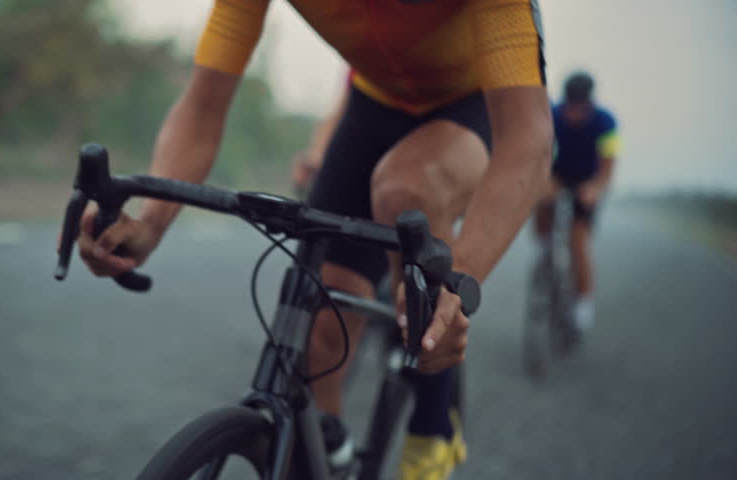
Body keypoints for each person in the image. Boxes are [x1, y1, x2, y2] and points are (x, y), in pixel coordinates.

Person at [73, 1, 554, 478]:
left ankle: (434, 412)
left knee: (405, 188)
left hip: (477, 104)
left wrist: (459, 282)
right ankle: (328, 453)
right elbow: (203, 105)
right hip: (372, 106)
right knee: (322, 336)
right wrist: (150, 222)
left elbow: (527, 138)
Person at [535, 71, 620, 335]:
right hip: (559, 176)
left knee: (578, 240)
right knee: (540, 202)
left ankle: (583, 304)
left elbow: (607, 169)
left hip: (588, 182)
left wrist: (595, 188)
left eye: (579, 108)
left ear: (589, 103)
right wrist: (544, 182)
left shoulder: (606, 122)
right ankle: (547, 251)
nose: (573, 114)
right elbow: (539, 153)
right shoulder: (553, 114)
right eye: (569, 107)